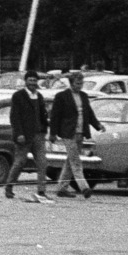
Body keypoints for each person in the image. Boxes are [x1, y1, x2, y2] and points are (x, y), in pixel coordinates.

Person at [49, 70, 105, 199]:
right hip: (68, 133)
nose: (79, 86)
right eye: (77, 83)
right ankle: (84, 187)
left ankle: (61, 188)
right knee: (76, 161)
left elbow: (89, 114)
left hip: (80, 133)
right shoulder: (61, 96)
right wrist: (53, 133)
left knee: (70, 161)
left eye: (81, 83)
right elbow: (55, 116)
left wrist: (98, 125)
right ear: (71, 83)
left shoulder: (84, 96)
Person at [4, 70, 51, 202]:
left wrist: (44, 128)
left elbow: (43, 115)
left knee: (42, 163)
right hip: (24, 136)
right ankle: (9, 186)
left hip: (39, 135)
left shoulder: (39, 96)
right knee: (19, 162)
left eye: (34, 81)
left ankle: (41, 191)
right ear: (26, 82)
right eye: (30, 80)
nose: (32, 83)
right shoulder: (18, 96)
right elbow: (14, 116)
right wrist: (19, 133)